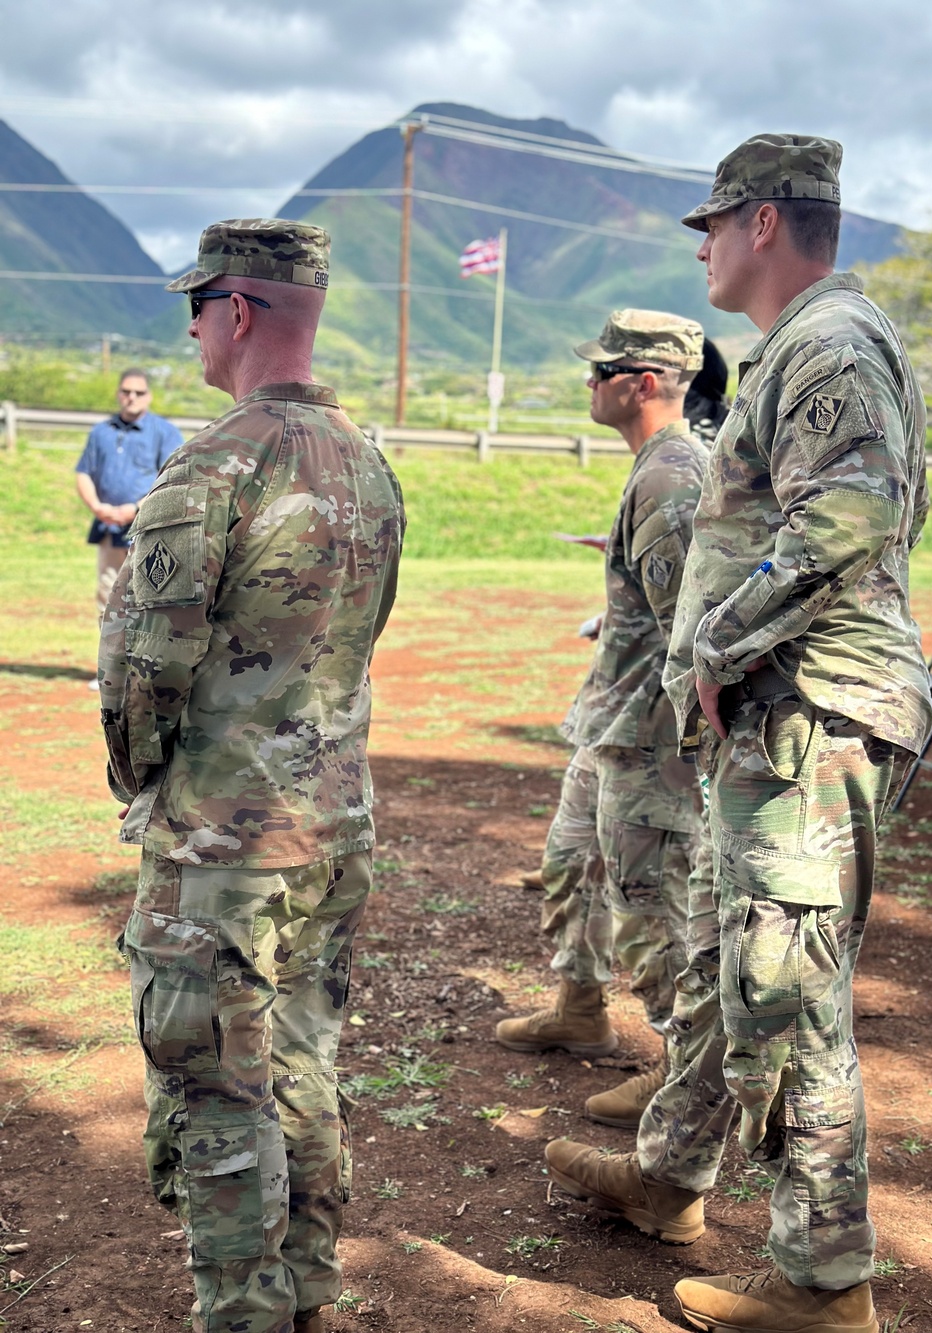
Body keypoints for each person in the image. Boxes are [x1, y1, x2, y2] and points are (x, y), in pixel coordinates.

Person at [545, 135, 931, 1333]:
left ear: (764, 223)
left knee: (793, 999)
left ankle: (827, 1285)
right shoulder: (798, 350)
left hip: (806, 723)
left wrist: (716, 643)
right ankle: (670, 1178)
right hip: (775, 723)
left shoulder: (825, 343)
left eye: (710, 224)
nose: (701, 246)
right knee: (732, 973)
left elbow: (853, 513)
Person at [98, 219, 405, 1333]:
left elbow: (147, 667)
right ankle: (310, 1287)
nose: (188, 332)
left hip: (223, 840)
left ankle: (242, 1310)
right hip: (332, 825)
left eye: (197, 309)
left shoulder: (216, 460)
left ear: (235, 312)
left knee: (218, 1084)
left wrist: (148, 781)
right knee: (302, 1061)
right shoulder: (370, 464)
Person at [495, 310, 709, 1130]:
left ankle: (681, 1072)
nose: (588, 384)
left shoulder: (670, 476)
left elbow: (694, 631)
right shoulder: (655, 469)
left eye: (599, 372)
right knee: (570, 864)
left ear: (642, 383)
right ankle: (578, 1005)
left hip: (648, 739)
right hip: (612, 723)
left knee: (649, 910)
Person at [75, 367, 183, 684]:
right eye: (126, 391)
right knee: (109, 598)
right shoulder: (101, 432)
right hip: (109, 529)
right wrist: (97, 507)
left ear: (148, 396)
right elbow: (84, 472)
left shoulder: (164, 432)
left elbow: (171, 477)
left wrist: (134, 509)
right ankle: (112, 670)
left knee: (150, 600)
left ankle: (149, 671)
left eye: (138, 392)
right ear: (118, 393)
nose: (131, 397)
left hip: (149, 531)